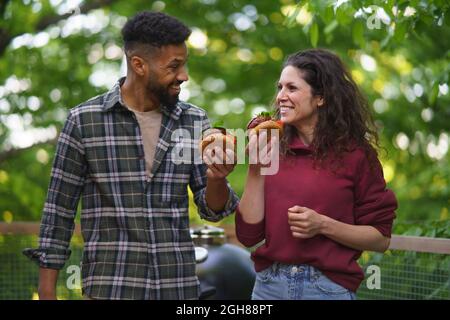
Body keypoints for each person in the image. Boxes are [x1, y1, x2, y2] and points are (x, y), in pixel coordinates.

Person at [23, 11, 239, 300]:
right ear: (139, 65)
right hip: (112, 288)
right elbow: (58, 211)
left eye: (184, 64)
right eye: (174, 66)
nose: (184, 76)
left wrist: (216, 179)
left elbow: (213, 210)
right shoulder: (84, 121)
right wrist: (47, 290)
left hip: (177, 287)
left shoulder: (194, 121)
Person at [235, 49, 397, 300]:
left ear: (320, 97)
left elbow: (379, 239)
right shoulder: (272, 147)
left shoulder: (356, 156)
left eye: (291, 88)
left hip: (327, 289)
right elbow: (248, 236)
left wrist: (322, 225)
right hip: (269, 288)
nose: (280, 97)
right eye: (279, 88)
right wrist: (255, 168)